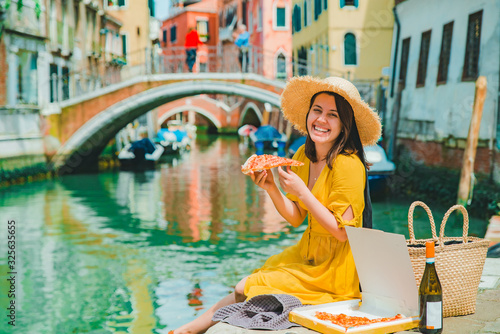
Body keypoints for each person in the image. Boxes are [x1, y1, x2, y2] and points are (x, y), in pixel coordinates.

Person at [170, 76, 382, 334]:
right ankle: (190, 328)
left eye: (333, 114)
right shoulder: (304, 155)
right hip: (307, 253)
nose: (321, 120)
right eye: (317, 110)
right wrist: (271, 187)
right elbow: (296, 218)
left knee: (244, 287)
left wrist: (302, 192)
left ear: (345, 124)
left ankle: (191, 329)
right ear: (308, 113)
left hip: (335, 269)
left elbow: (340, 232)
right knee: (252, 281)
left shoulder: (348, 165)